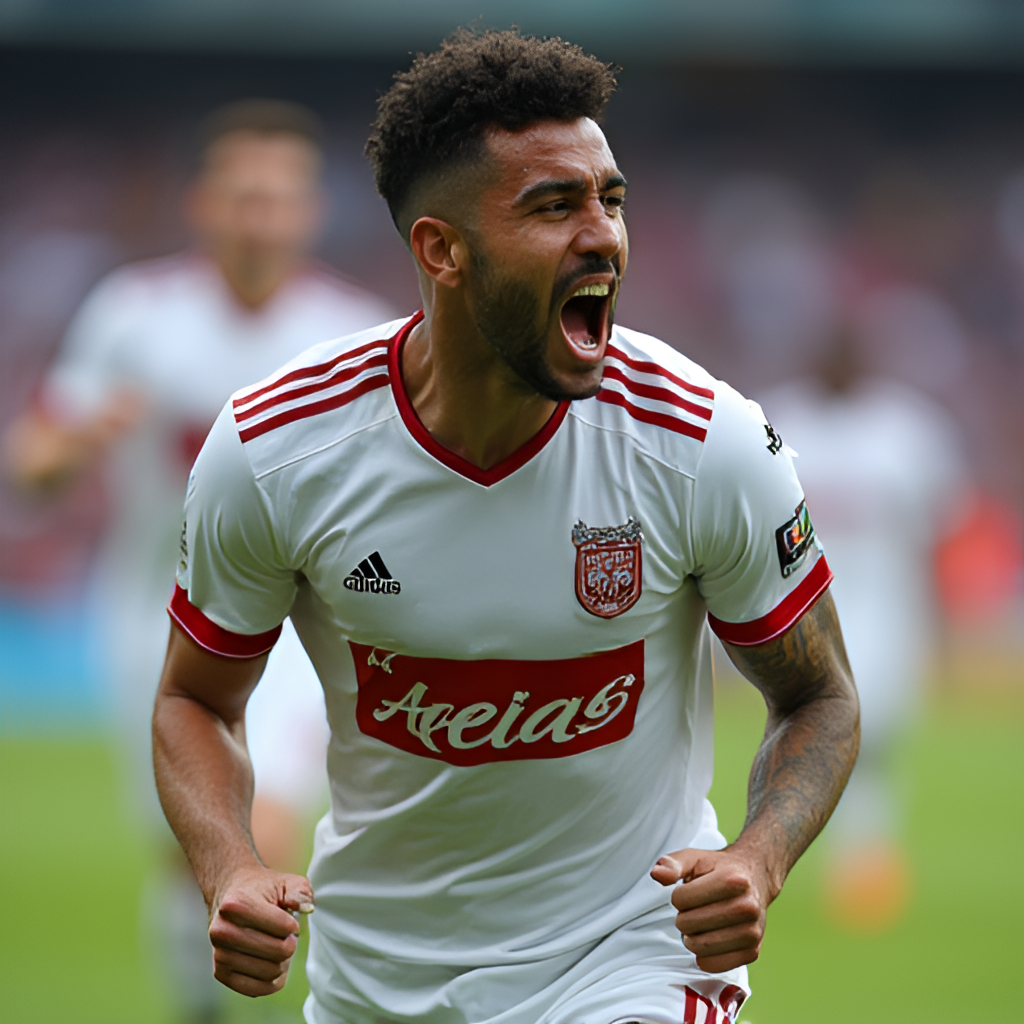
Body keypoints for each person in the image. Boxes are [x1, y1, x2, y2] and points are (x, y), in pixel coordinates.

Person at [153, 32, 859, 1024]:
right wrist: (227, 864)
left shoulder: (705, 442)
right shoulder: (277, 447)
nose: (603, 235)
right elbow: (194, 698)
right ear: (440, 250)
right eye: (552, 205)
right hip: (374, 983)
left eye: (610, 199)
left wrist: (756, 856)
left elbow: (819, 695)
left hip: (628, 960)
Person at [4, 99, 393, 1022]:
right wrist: (66, 447)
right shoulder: (135, 315)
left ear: (309, 211)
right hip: (156, 615)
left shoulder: (353, 332)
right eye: (244, 195)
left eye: (281, 197)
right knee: (191, 859)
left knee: (262, 828)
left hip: (299, 625)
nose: (262, 216)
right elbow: (36, 459)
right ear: (203, 204)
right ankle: (200, 1004)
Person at [761, 325, 966, 930]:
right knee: (830, 730)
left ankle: (860, 861)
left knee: (872, 739)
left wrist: (944, 625)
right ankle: (855, 864)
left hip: (888, 611)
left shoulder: (908, 431)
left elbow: (938, 537)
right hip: (807, 609)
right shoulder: (776, 421)